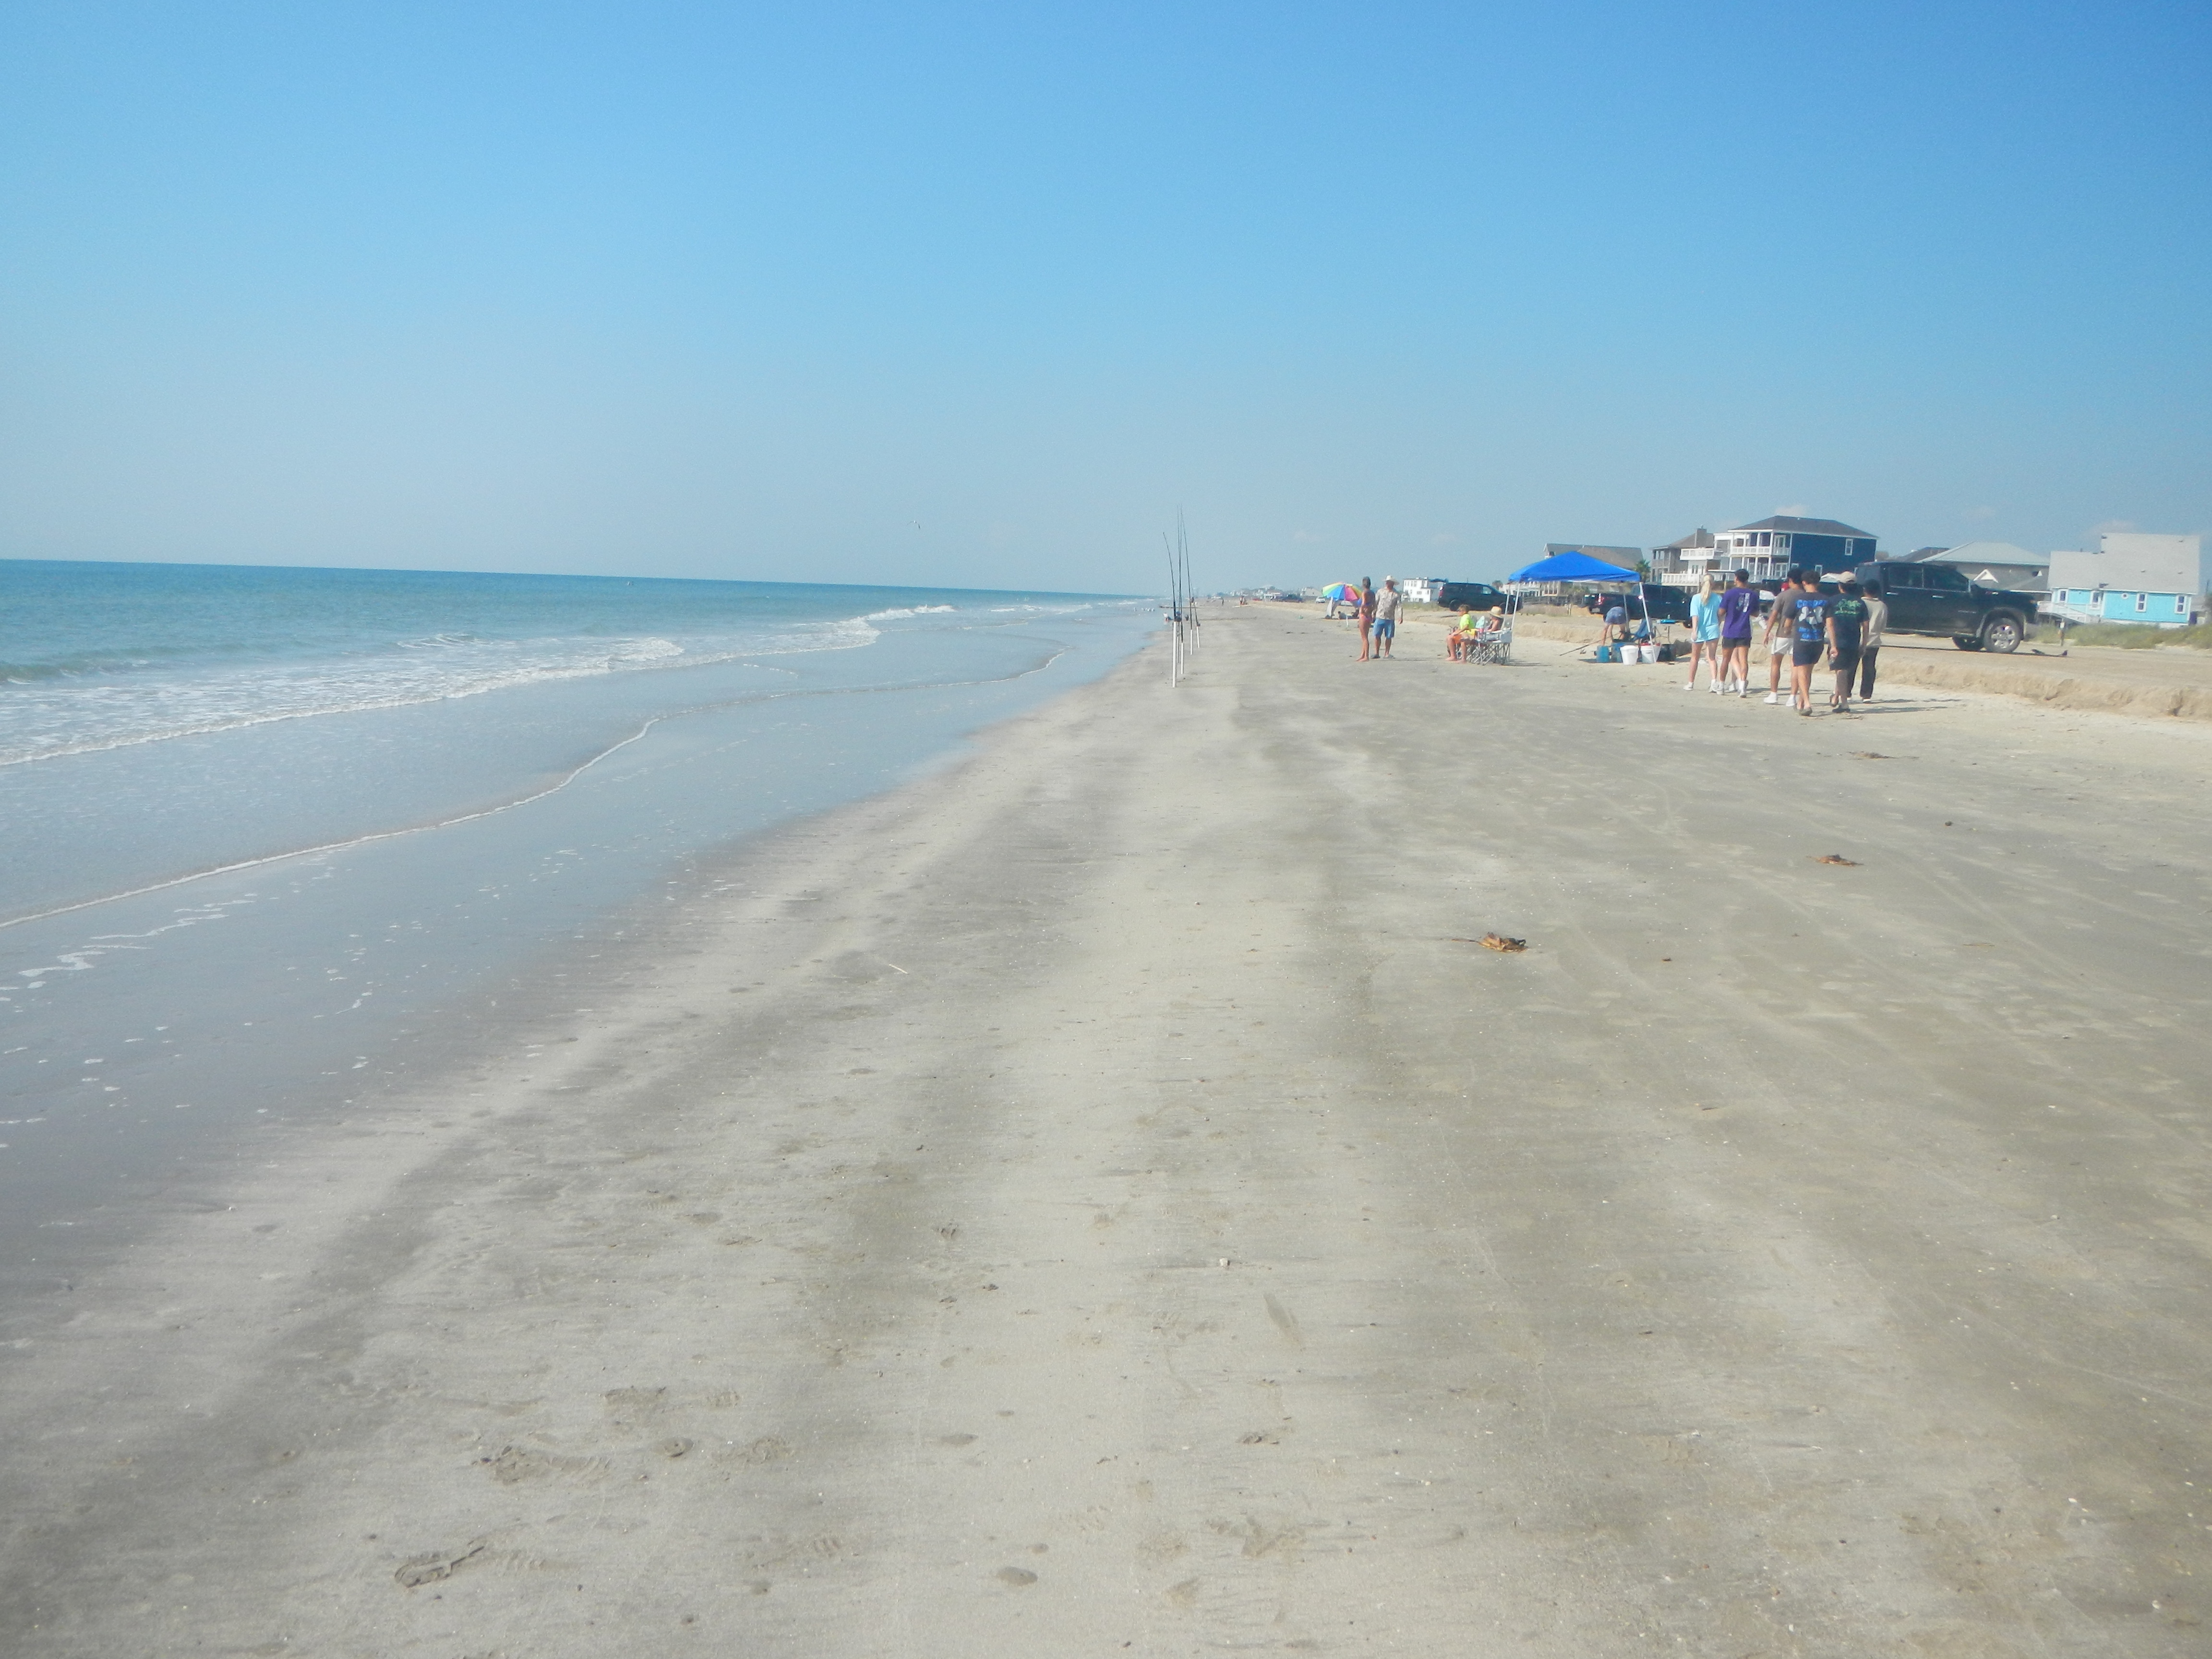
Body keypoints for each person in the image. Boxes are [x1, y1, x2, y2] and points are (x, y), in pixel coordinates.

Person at [1790, 575, 1833, 714]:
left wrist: (1788, 630)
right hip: (1817, 640)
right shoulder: (1826, 600)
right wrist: (1834, 644)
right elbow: (1830, 625)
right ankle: (1801, 702)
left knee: (1802, 672)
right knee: (1808, 672)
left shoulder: (1798, 599)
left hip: (1802, 639)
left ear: (1804, 582)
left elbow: (1787, 622)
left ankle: (1807, 703)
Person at [1827, 574, 1870, 712]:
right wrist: (1864, 645)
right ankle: (1836, 696)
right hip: (1853, 641)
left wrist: (1833, 644)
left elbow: (1829, 624)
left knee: (1840, 671)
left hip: (1837, 640)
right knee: (1843, 670)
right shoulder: (1860, 603)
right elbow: (1866, 626)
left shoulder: (1832, 601)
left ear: (1840, 586)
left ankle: (1844, 703)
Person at [1763, 572, 1804, 704]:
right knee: (1795, 667)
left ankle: (1774, 694)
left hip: (1782, 633)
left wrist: (1767, 632)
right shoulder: (1805, 596)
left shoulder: (1783, 595)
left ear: (1791, 580)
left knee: (1776, 664)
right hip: (1799, 634)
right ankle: (1792, 697)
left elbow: (1773, 615)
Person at [1717, 569, 1758, 695]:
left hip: (1730, 629)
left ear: (1736, 578)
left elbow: (1721, 612)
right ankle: (1742, 687)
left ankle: (1722, 685)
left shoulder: (1729, 594)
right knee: (1743, 660)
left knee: (1726, 659)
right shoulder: (1753, 594)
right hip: (1745, 629)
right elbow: (1756, 613)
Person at [1683, 576, 1723, 691]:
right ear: (1713, 584)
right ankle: (1714, 682)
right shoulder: (1718, 598)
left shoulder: (1696, 598)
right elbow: (1720, 615)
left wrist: (1694, 631)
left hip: (1700, 629)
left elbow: (1695, 616)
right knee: (1712, 658)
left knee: (1695, 658)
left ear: (1702, 584)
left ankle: (1691, 683)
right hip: (1713, 629)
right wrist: (1718, 624)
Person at [1857, 579, 1887, 700]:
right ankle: (1866, 695)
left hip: (1857, 638)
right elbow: (1883, 626)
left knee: (1851, 667)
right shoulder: (1882, 606)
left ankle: (1847, 693)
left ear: (1864, 590)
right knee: (1869, 668)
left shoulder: (1859, 603)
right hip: (1874, 640)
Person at [1371, 578, 1402, 658]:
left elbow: (1399, 606)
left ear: (1393, 584)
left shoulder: (1396, 594)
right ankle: (1377, 653)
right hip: (1380, 616)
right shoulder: (1380, 592)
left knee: (1389, 636)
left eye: (1389, 582)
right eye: (1387, 582)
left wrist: (1400, 616)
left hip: (1390, 618)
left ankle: (1387, 653)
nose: (1387, 584)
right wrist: (1373, 613)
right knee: (1377, 635)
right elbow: (1376, 603)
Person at [1354, 577, 1376, 660]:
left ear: (1363, 584)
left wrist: (1360, 610)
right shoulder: (1372, 593)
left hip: (1364, 615)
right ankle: (1363, 655)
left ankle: (1366, 656)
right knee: (1365, 636)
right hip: (1369, 615)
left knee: (1364, 637)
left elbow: (1363, 603)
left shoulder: (1364, 593)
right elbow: (1374, 604)